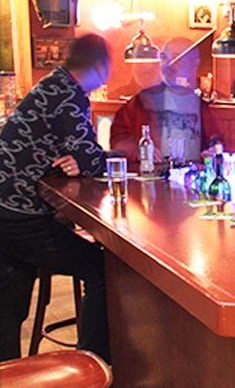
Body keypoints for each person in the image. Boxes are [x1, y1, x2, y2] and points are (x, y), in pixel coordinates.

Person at [0, 34, 111, 362]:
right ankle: (93, 369)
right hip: (20, 215)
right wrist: (98, 158)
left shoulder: (52, 83)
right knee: (100, 270)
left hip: (5, 208)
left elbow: (79, 155)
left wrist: (80, 159)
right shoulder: (69, 94)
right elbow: (89, 155)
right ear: (99, 66)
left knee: (9, 305)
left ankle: (9, 379)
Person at [110, 37, 222, 165]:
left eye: (176, 58)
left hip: (191, 173)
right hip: (154, 173)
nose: (168, 65)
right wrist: (140, 151)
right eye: (164, 58)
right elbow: (118, 140)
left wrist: (215, 151)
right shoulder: (143, 102)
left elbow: (217, 141)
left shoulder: (202, 107)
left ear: (194, 64)